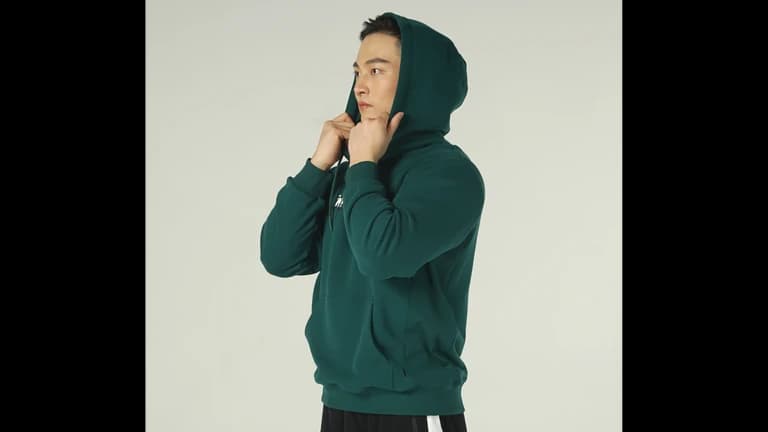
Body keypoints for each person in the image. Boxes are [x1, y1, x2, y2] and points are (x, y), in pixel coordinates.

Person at [260, 11, 483, 432]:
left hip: (413, 404)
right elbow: (279, 256)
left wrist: (363, 164)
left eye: (377, 70)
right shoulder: (353, 173)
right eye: (357, 71)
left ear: (418, 81)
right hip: (340, 398)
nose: (360, 86)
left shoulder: (449, 175)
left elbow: (382, 257)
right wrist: (319, 165)